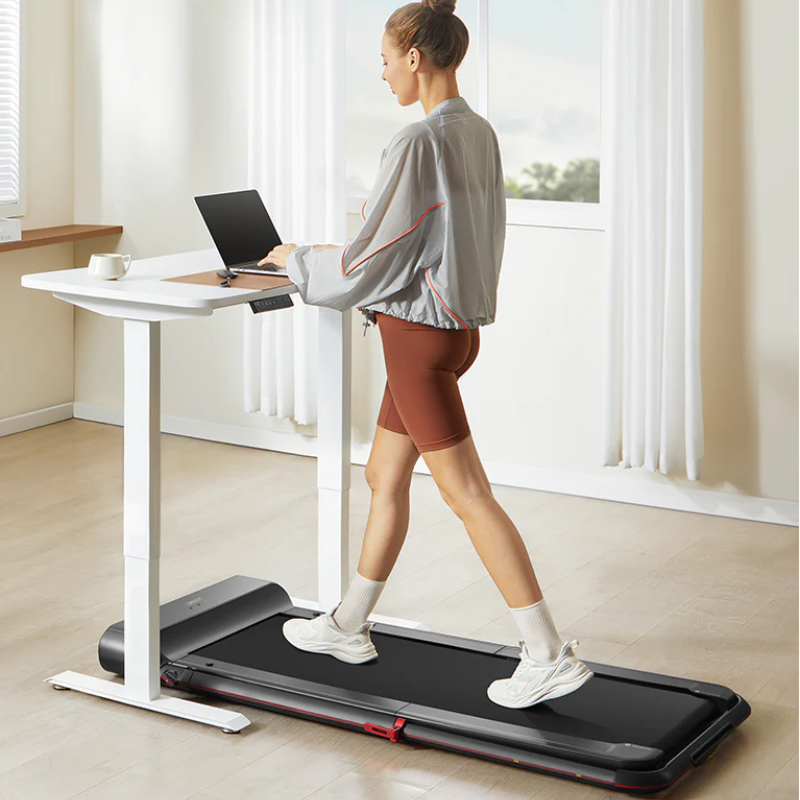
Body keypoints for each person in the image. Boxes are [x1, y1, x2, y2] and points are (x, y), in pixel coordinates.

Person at [259, 0, 593, 709]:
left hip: (416, 340)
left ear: (415, 55)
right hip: (455, 328)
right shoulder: (478, 130)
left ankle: (547, 652)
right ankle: (349, 624)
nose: (380, 74)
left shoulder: (417, 142)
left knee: (466, 494)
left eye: (385, 59)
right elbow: (434, 235)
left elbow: (374, 258)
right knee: (384, 473)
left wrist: (300, 260)